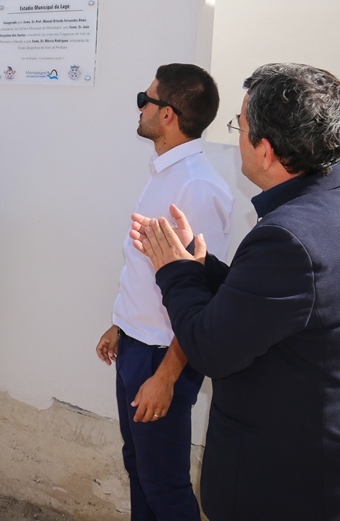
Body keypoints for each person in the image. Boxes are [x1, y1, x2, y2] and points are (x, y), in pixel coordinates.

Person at [131, 63, 340, 521]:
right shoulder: (324, 207)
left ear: (264, 150)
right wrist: (203, 266)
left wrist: (174, 270)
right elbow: (273, 303)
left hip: (279, 483)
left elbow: (210, 348)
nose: (237, 137)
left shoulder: (287, 236)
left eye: (239, 127)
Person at [95, 64, 233, 521]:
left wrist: (168, 377)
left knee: (166, 487)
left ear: (169, 114)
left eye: (145, 98)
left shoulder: (197, 186)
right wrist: (122, 324)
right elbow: (149, 266)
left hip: (163, 359)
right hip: (138, 346)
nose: (139, 106)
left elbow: (205, 294)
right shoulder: (166, 171)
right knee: (140, 469)